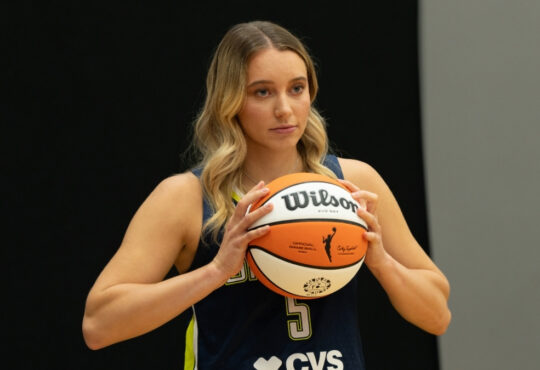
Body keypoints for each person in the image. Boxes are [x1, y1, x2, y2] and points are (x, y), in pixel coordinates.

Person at [82, 20, 451, 369]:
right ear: (230, 101)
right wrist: (215, 272)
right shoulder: (186, 197)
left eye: (297, 88)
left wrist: (381, 261)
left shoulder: (351, 182)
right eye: (262, 92)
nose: (284, 109)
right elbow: (99, 325)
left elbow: (438, 314)